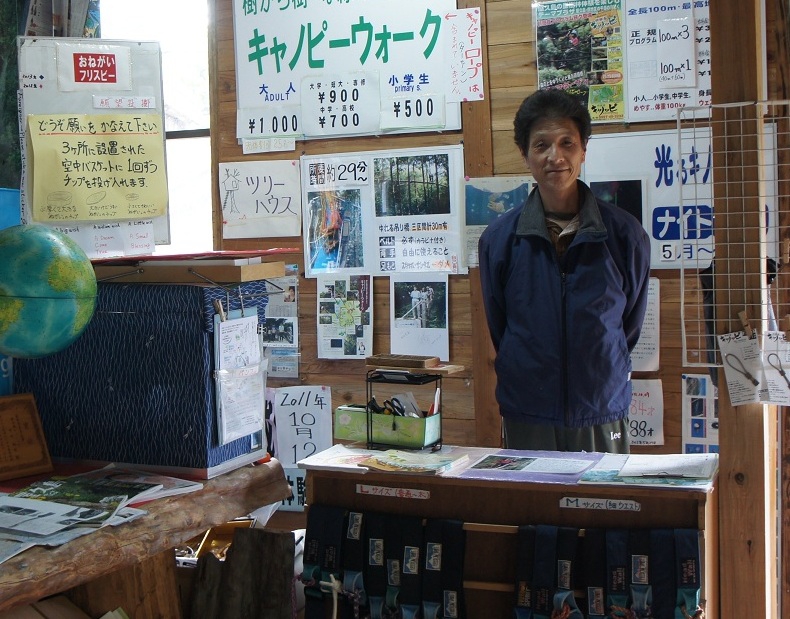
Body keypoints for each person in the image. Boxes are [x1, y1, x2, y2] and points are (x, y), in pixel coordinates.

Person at [478, 89, 651, 453]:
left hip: (600, 407)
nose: (555, 156)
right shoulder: (499, 240)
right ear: (526, 155)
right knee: (532, 509)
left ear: (583, 149)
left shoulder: (624, 234)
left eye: (566, 142)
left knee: (603, 506)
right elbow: (501, 327)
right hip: (528, 410)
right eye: (541, 145)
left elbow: (628, 326)